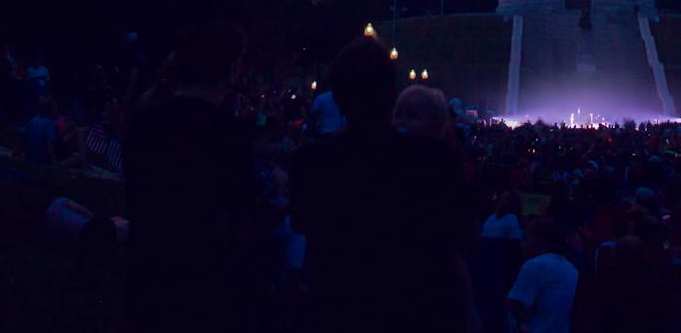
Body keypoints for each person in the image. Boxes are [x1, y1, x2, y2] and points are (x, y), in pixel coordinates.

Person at [290, 35, 472, 333]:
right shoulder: (435, 160)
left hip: (337, 312)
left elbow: (302, 223)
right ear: (392, 93)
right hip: (417, 313)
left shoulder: (309, 162)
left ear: (337, 97)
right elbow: (460, 237)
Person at [121, 21, 264, 330]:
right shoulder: (229, 136)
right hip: (205, 294)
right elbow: (242, 216)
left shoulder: (142, 125)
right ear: (231, 68)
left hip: (147, 283)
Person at [505, 216, 579, 333]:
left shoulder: (534, 265)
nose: (521, 246)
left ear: (540, 241)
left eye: (526, 239)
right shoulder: (572, 270)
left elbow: (513, 308)